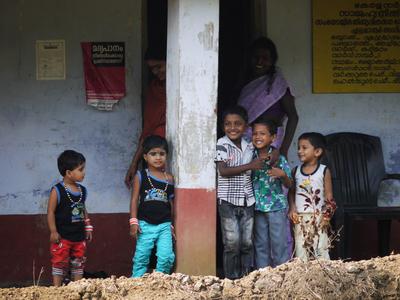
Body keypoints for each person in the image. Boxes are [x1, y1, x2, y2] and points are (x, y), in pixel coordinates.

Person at [215, 105, 265, 279]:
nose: (232, 127)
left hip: (247, 200)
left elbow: (270, 149)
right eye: (228, 124)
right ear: (223, 126)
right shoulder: (222, 145)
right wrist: (250, 166)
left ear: (246, 127)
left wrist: (275, 154)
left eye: (237, 123)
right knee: (232, 243)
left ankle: (245, 278)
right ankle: (231, 279)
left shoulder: (250, 146)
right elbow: (223, 171)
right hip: (227, 200)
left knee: (246, 243)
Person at [238, 37, 298, 158]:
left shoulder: (277, 84)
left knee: (269, 176)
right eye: (256, 57)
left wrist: (284, 149)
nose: (260, 61)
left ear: (272, 61)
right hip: (245, 142)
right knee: (246, 175)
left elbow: (293, 117)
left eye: (265, 58)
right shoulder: (243, 83)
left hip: (272, 143)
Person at [129, 135, 175, 277]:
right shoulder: (140, 176)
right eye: (153, 154)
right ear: (145, 156)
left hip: (164, 225)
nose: (158, 157)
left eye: (162, 154)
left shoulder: (169, 178)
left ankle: (161, 282)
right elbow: (134, 199)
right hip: (145, 225)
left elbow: (171, 203)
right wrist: (133, 222)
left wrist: (172, 224)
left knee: (166, 256)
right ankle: (136, 283)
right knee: (142, 257)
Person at [47, 150, 93, 287]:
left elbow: (83, 209)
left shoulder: (83, 190)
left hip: (79, 236)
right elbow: (50, 212)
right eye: (80, 169)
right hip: (62, 236)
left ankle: (77, 288)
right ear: (68, 173)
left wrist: (88, 227)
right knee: (59, 262)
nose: (84, 172)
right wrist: (53, 231)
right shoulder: (57, 190)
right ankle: (57, 289)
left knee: (78, 263)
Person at [252, 118, 293, 268]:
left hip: (276, 207)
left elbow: (290, 184)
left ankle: (282, 275)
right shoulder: (249, 157)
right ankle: (263, 276)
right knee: (260, 244)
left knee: (278, 244)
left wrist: (282, 175)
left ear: (273, 137)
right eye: (255, 133)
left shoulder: (279, 159)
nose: (258, 137)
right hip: (257, 208)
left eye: (262, 133)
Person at [288, 132, 336, 261]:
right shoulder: (295, 171)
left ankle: (324, 275)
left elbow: (329, 195)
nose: (299, 151)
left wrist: (326, 215)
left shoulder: (323, 171)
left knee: (321, 248)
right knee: (300, 249)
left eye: (304, 148)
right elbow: (291, 192)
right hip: (300, 217)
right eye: (298, 147)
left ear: (317, 151)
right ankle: (302, 276)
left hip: (318, 216)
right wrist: (292, 209)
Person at [125, 47, 167, 188]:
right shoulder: (155, 89)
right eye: (152, 69)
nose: (156, 72)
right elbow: (148, 129)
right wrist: (134, 163)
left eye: (159, 66)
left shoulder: (188, 87)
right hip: (156, 152)